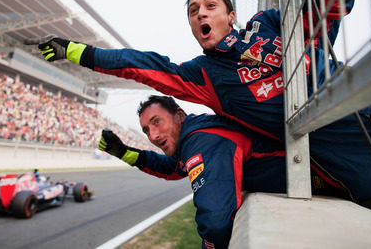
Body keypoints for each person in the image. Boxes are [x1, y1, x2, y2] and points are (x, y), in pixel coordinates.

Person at [25, 0, 371, 214]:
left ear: (231, 15)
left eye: (210, 5)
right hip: (362, 163)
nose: (200, 12)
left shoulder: (267, 22)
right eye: (193, 11)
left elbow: (325, 2)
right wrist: (76, 51)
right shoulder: (204, 76)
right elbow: (138, 63)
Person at [98, 95, 355, 248]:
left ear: (179, 115)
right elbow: (172, 167)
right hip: (328, 176)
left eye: (157, 123)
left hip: (338, 179)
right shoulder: (192, 134)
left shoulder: (200, 141)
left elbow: (215, 221)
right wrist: (125, 152)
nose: (153, 135)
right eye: (146, 130)